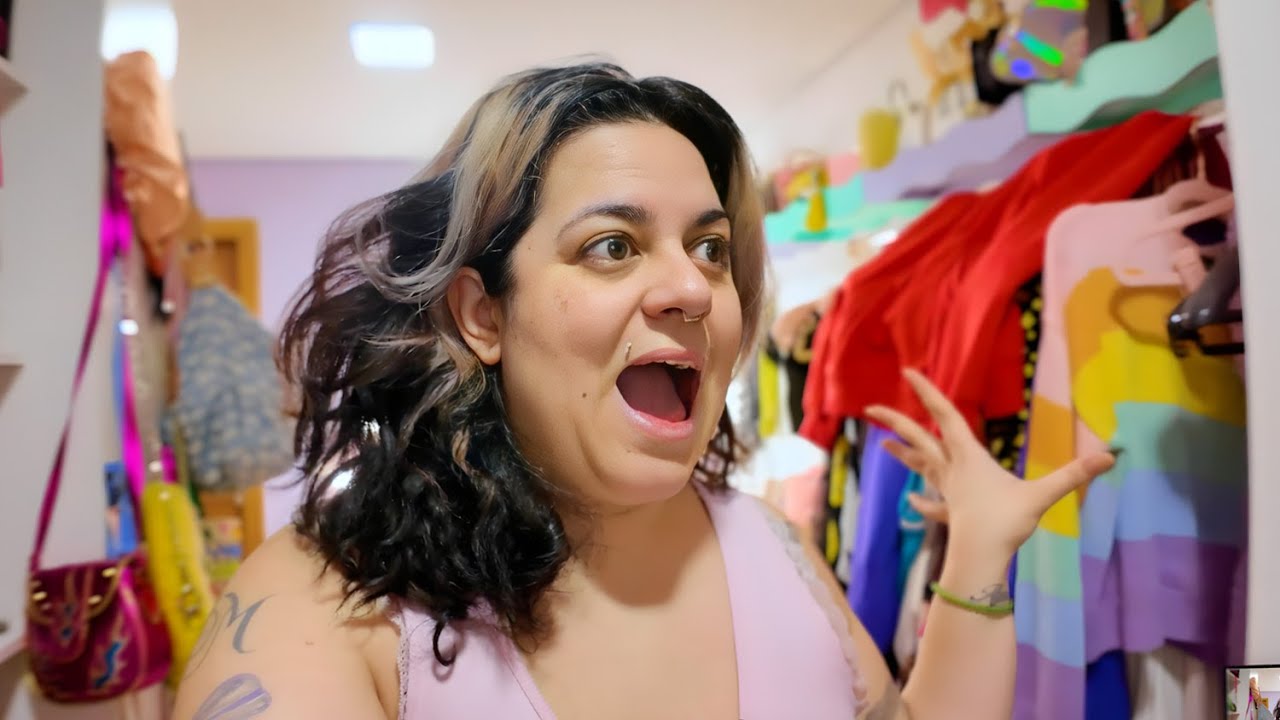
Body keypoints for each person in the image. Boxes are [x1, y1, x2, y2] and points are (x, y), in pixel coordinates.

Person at [173, 62, 1114, 719]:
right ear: (482, 314)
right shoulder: (324, 606)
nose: (692, 287)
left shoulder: (772, 547)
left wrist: (978, 554)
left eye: (710, 248)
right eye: (612, 246)